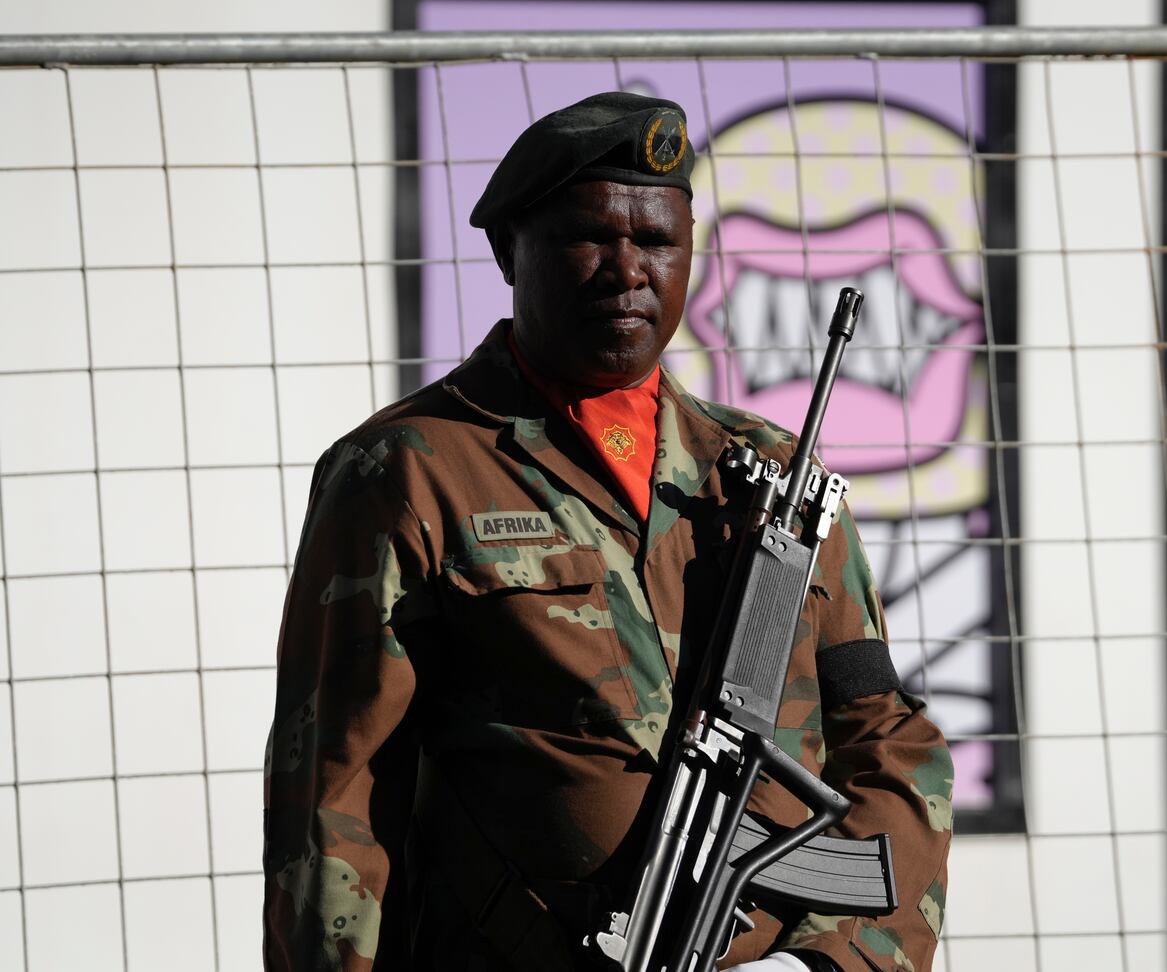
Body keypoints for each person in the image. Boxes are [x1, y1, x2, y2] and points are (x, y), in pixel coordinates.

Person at [263, 92, 953, 972]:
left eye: (658, 241)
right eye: (586, 237)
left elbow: (884, 735)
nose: (627, 270)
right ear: (509, 251)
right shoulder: (409, 471)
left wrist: (831, 960)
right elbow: (334, 796)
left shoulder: (771, 477)